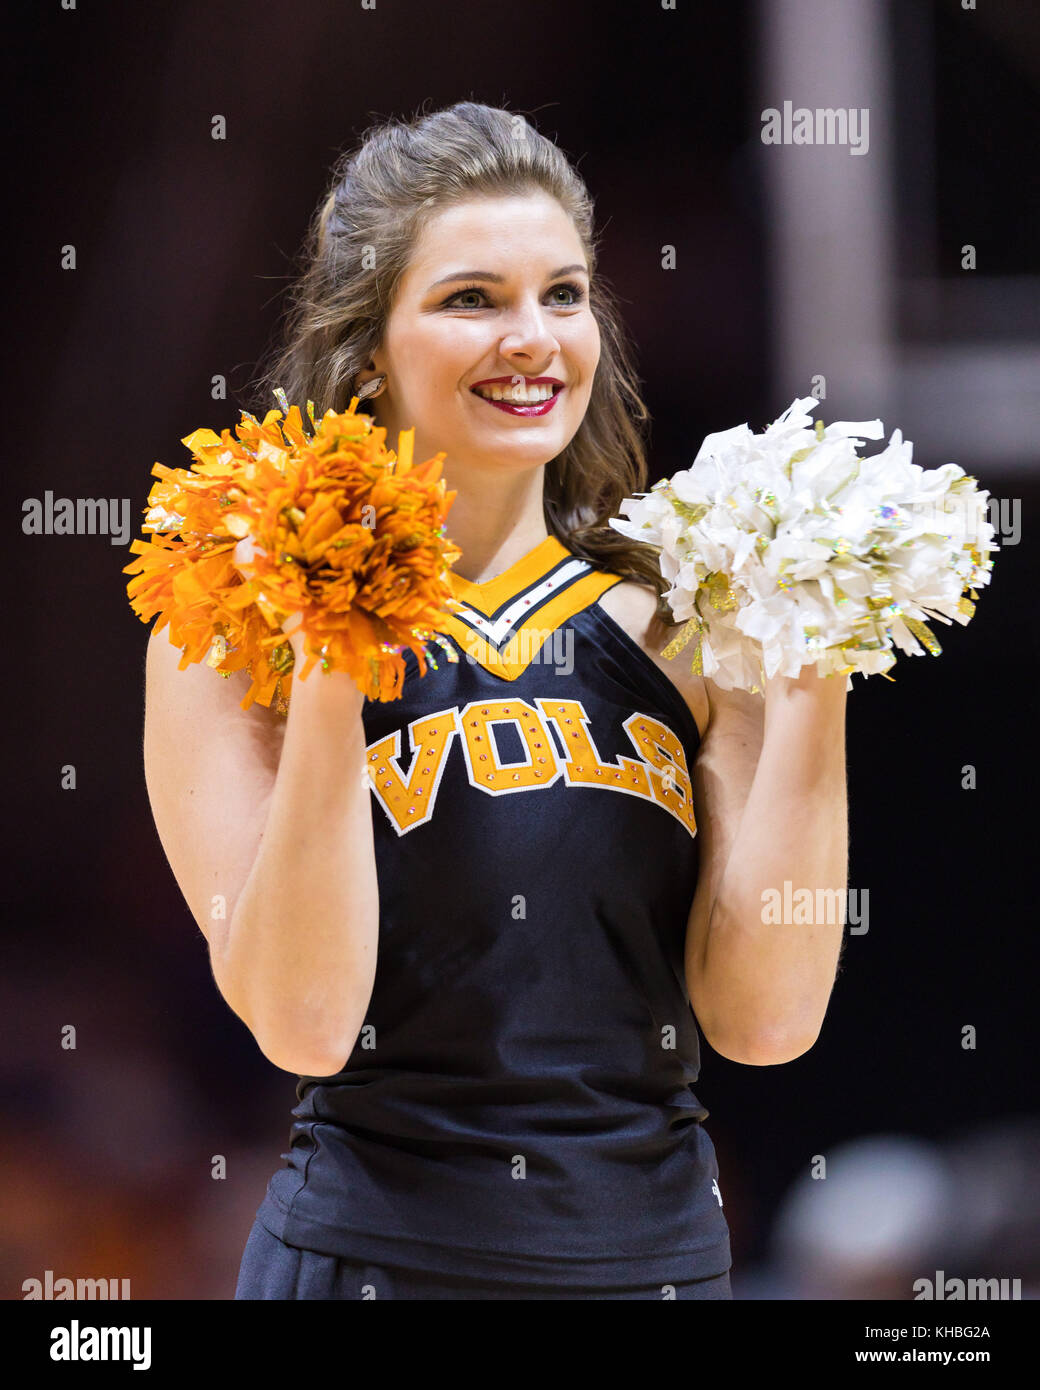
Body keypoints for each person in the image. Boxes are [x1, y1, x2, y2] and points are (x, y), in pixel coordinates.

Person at [143, 101, 848, 1300]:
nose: (533, 339)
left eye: (562, 294)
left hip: (653, 1270)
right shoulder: (231, 618)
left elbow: (764, 1024)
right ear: (369, 345)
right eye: (472, 299)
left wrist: (815, 666)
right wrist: (330, 644)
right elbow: (306, 1024)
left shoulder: (690, 625)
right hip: (375, 1261)